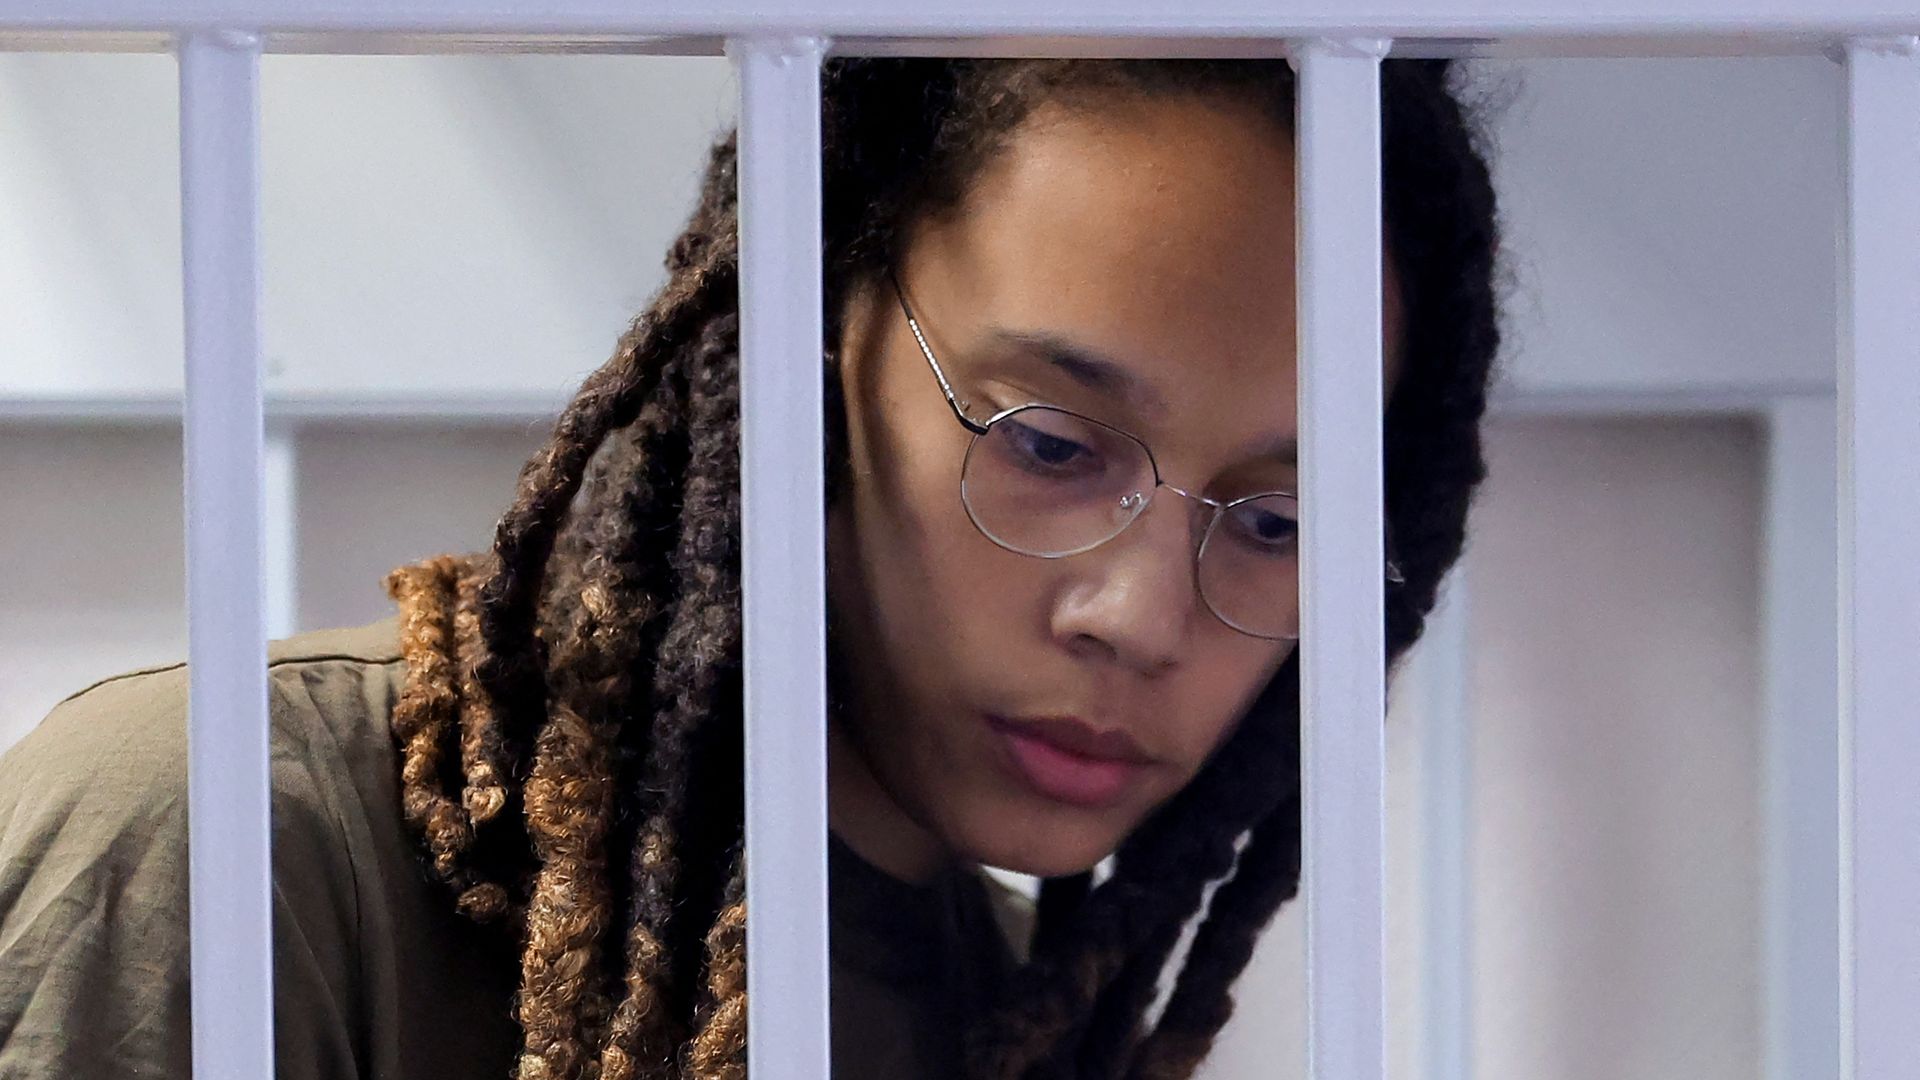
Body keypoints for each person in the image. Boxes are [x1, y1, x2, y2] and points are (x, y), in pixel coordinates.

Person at [0, 56, 1500, 1080]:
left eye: (1276, 522)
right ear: (811, 339)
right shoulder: (231, 834)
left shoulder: (1028, 1020)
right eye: (1050, 446)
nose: (1140, 619)